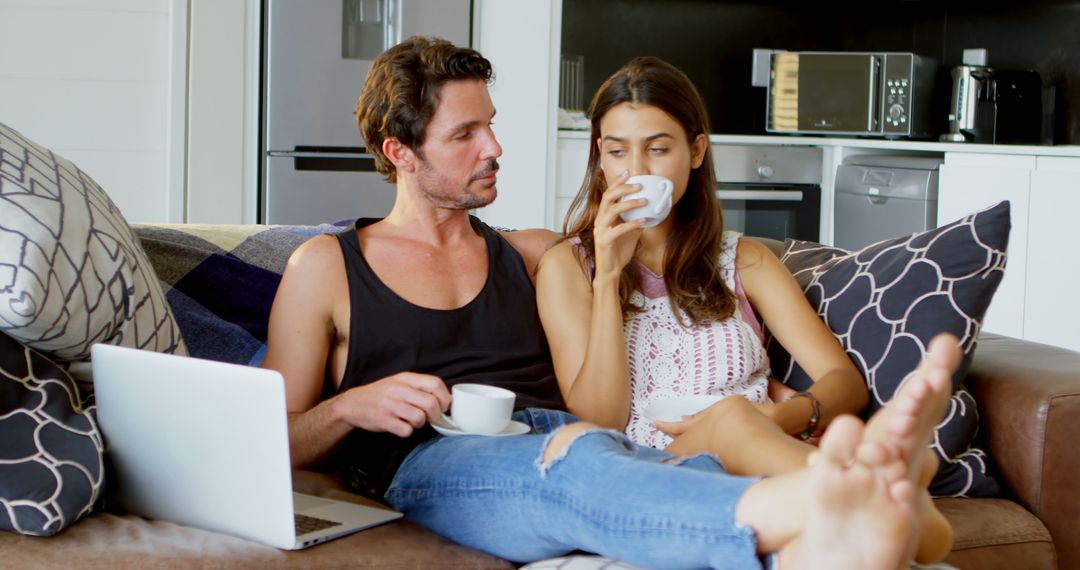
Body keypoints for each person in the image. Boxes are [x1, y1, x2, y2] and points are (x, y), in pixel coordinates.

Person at [261, 35, 957, 568]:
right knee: (578, 467)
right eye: (466, 134)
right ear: (402, 153)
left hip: (577, 440)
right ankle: (837, 495)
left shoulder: (531, 253)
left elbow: (619, 361)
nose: (496, 146)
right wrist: (349, 406)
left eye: (492, 124)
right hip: (435, 463)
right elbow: (264, 443)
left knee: (655, 466)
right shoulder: (327, 268)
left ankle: (847, 532)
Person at [533, 56, 952, 562]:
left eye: (658, 149)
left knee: (737, 420)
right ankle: (875, 497)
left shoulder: (745, 260)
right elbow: (597, 418)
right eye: (618, 151)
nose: (636, 171)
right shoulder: (569, 268)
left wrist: (782, 415)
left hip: (760, 457)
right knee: (730, 417)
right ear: (600, 155)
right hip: (650, 471)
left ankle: (857, 505)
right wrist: (610, 276)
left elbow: (842, 380)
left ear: (696, 151)